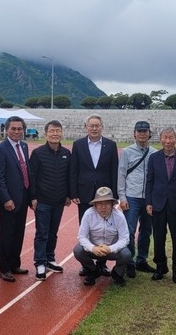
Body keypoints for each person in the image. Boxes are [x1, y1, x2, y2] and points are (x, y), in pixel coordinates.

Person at [69, 114, 118, 276]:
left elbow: (114, 171)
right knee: (87, 228)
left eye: (97, 125)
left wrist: (115, 195)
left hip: (105, 194)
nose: (94, 128)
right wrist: (73, 192)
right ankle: (87, 264)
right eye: (91, 126)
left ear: (102, 127)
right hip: (84, 193)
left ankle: (102, 263)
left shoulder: (111, 145)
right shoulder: (78, 145)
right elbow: (74, 170)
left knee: (104, 229)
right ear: (86, 127)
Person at [29, 120, 72, 281]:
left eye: (58, 131)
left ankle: (49, 258)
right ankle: (39, 262)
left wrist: (68, 194)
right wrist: (32, 197)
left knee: (53, 232)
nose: (55, 134)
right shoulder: (38, 153)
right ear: (46, 133)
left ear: (62, 133)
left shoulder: (67, 153)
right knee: (42, 233)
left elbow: (69, 176)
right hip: (43, 201)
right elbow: (32, 177)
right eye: (52, 131)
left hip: (59, 201)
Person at [145, 127, 176, 282]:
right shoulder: (154, 158)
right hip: (158, 204)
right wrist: (148, 201)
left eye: (171, 137)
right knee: (158, 237)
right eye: (165, 137)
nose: (168, 141)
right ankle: (160, 267)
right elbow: (149, 181)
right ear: (160, 139)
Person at [0, 116, 31, 282]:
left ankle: (15, 263)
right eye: (13, 129)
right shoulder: (1, 149)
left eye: (20, 129)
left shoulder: (24, 145)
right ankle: (4, 268)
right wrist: (6, 198)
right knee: (6, 234)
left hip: (23, 196)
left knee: (19, 232)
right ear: (6, 130)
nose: (17, 131)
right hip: (9, 200)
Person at [117, 121, 156, 278]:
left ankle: (142, 260)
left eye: (145, 131)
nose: (142, 134)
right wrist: (122, 196)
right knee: (129, 230)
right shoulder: (127, 152)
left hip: (148, 198)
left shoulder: (154, 152)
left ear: (149, 133)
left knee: (146, 230)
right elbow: (121, 174)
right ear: (134, 134)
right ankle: (130, 262)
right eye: (139, 131)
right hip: (131, 196)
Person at [73, 187, 131, 286]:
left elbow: (124, 238)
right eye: (100, 203)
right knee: (78, 251)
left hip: (111, 250)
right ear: (95, 205)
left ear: (112, 204)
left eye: (107, 203)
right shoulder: (88, 214)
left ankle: (117, 274)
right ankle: (93, 270)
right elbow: (82, 237)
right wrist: (93, 248)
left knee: (126, 254)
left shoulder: (119, 216)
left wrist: (110, 248)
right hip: (94, 250)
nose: (103, 207)